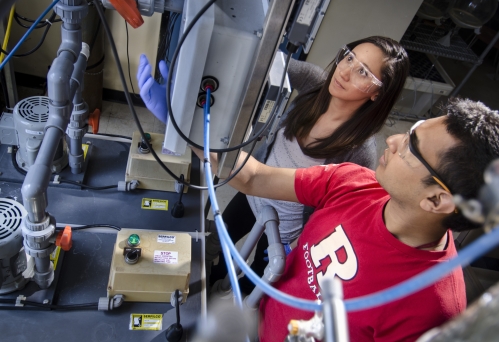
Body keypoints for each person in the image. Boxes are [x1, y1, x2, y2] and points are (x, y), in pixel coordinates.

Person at [192, 98, 499, 342]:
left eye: (411, 147)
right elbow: (256, 178)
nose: (392, 140)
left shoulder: (432, 308)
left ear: (436, 199)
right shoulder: (353, 183)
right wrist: (187, 126)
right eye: (411, 131)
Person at [137, 36, 410, 293]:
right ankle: (205, 290)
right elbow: (261, 63)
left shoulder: (359, 149)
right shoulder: (315, 84)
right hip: (252, 194)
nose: (346, 72)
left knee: (255, 279)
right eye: (349, 57)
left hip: (283, 229)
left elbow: (339, 214)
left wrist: (303, 243)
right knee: (217, 247)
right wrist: (194, 75)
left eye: (364, 72)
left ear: (378, 93)